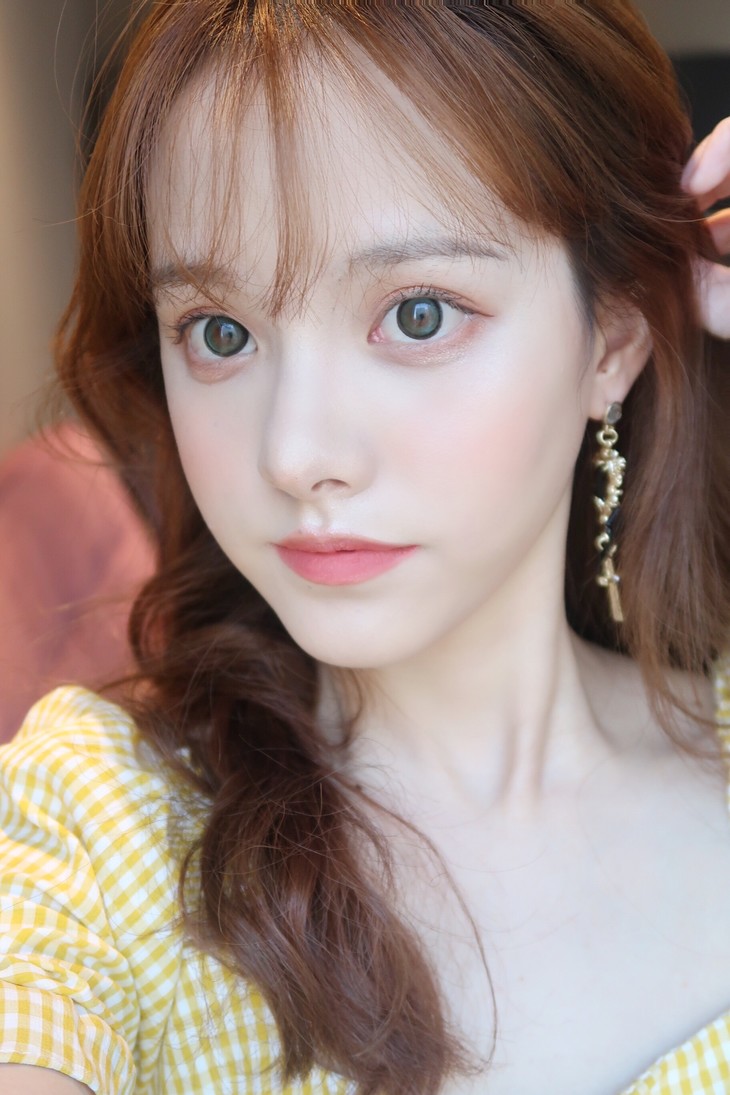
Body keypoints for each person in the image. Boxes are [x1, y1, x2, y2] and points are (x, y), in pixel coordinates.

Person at [1, 2, 729, 1093]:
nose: (296, 454)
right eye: (220, 333)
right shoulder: (103, 833)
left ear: (613, 337)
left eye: (419, 315)